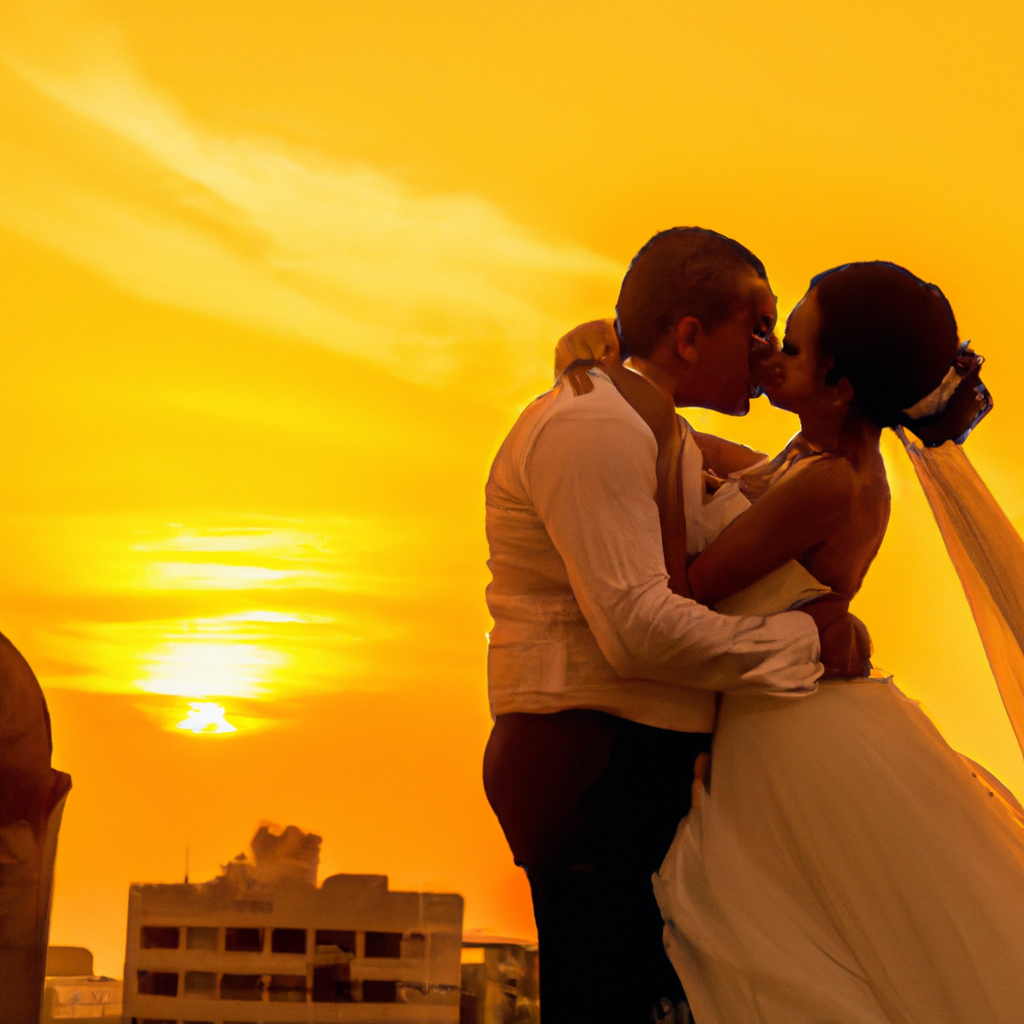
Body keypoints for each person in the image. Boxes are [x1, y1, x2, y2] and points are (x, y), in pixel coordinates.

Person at [482, 228, 859, 1024]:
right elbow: (637, 629)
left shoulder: (657, 429)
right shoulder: (593, 429)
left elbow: (775, 482)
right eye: (757, 327)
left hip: (631, 762)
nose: (767, 349)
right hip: (589, 761)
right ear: (689, 335)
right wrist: (807, 643)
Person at [641, 261, 1024, 1023]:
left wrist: (646, 464)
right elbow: (711, 456)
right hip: (789, 717)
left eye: (791, 347)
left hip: (793, 736)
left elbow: (689, 587)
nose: (771, 357)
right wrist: (645, 412)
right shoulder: (813, 459)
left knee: (789, 943)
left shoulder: (832, 483)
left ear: (840, 385)